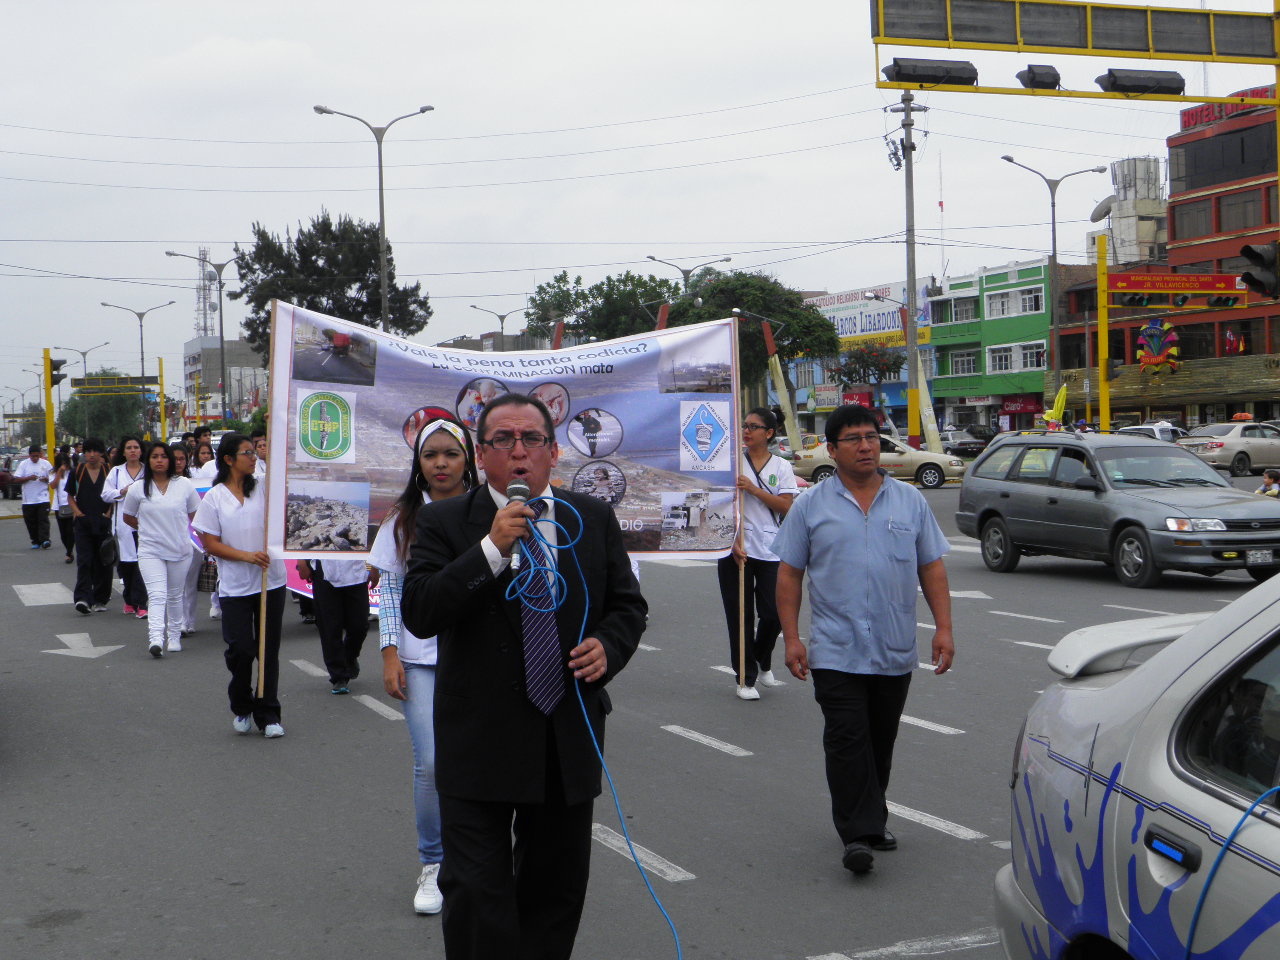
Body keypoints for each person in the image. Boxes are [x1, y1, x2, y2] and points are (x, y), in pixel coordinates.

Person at [402, 393, 646, 960]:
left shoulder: (591, 517)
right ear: (481, 454)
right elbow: (422, 609)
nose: (519, 452)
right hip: (478, 740)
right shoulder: (443, 521)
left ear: (553, 452)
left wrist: (609, 646)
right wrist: (492, 548)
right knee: (476, 894)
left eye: (531, 439)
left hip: (565, 734)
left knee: (554, 892)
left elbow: (627, 605)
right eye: (503, 440)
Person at [773, 402, 954, 877]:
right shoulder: (810, 505)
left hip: (894, 648)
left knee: (879, 740)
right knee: (847, 739)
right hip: (835, 648)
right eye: (853, 439)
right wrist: (792, 638)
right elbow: (789, 574)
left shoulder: (909, 501)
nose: (865, 446)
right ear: (832, 450)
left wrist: (944, 629)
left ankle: (873, 817)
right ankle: (857, 833)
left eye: (871, 437)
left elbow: (931, 567)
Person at [369, 415, 478, 916]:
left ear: (468, 459)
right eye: (430, 455)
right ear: (418, 463)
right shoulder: (403, 519)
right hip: (421, 658)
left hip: (479, 655)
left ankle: (478, 857)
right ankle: (433, 862)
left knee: (486, 760)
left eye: (451, 454)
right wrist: (390, 653)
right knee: (432, 763)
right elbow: (389, 591)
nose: (441, 463)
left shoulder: (489, 511)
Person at [193, 433, 287, 738]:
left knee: (267, 650)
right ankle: (242, 704)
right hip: (235, 587)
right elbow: (210, 544)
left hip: (270, 581)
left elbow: (286, 478)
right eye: (247, 453)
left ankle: (269, 714)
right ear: (229, 459)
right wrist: (247, 556)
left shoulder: (263, 487)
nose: (253, 457)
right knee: (241, 650)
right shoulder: (214, 497)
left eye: (254, 452)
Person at [719, 407, 797, 701]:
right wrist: (730, 541)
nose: (746, 431)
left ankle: (761, 658)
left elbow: (786, 506)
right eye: (745, 425)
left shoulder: (781, 466)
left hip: (770, 548)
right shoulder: (732, 463)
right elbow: (720, 502)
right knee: (739, 616)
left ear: (769, 432)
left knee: (774, 614)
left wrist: (752, 489)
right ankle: (745, 678)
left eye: (753, 426)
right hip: (735, 548)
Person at [123, 442, 200, 658]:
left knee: (175, 595)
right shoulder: (138, 488)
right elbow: (128, 516)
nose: (159, 460)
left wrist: (206, 544)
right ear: (148, 460)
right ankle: (156, 639)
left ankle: (174, 636)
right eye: (154, 456)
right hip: (150, 551)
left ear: (170, 460)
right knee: (157, 595)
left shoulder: (184, 485)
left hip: (180, 550)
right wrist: (147, 528)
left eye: (163, 456)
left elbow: (196, 516)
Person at [296, 555, 371, 694]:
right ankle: (338, 676)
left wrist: (374, 568)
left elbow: (370, 543)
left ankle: (349, 657)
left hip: (355, 573)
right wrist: (302, 559)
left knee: (359, 626)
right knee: (329, 627)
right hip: (324, 572)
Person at [65, 438, 114, 614]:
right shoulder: (77, 471)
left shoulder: (110, 472)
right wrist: (78, 513)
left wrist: (108, 514)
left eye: (95, 451)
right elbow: (70, 496)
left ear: (101, 453)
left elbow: (115, 496)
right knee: (84, 561)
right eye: (88, 451)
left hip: (103, 522)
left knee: (104, 561)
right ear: (84, 453)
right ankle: (83, 599)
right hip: (83, 523)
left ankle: (100, 598)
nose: (92, 455)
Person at [103, 436, 149, 618]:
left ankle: (141, 604)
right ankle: (129, 600)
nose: (133, 451)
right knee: (127, 564)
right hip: (123, 524)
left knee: (142, 564)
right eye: (129, 447)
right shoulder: (116, 472)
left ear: (141, 450)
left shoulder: (148, 471)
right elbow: (105, 495)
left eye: (136, 447)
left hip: (145, 523)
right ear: (123, 452)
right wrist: (122, 492)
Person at [174, 444, 205, 637]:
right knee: (174, 584)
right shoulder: (160, 484)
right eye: (174, 459)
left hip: (193, 540)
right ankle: (176, 621)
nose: (178, 463)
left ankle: (188, 621)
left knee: (189, 583)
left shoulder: (193, 483)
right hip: (170, 539)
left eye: (182, 459)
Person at [15, 444, 53, 549]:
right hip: (28, 500)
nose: (35, 458)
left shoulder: (46, 464)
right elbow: (16, 479)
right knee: (31, 522)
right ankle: (35, 541)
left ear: (40, 454)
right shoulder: (24, 464)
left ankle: (45, 540)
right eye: (33, 456)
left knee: (43, 520)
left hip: (43, 498)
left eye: (37, 456)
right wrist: (28, 478)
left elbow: (53, 478)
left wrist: (46, 479)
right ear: (29, 455)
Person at [53, 450, 76, 563]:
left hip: (71, 504)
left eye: (65, 463)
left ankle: (69, 553)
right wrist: (59, 473)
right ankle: (68, 549)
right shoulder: (53, 473)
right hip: (59, 506)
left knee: (70, 530)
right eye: (61, 463)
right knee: (63, 533)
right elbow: (53, 486)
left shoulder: (72, 472)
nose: (64, 466)